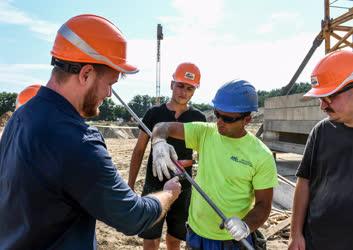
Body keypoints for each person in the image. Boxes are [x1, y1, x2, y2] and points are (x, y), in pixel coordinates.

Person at [0, 14, 181, 250]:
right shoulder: (77, 142)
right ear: (85, 74)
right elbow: (132, 217)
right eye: (110, 84)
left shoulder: (21, 117)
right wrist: (168, 194)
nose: (108, 95)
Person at [150, 79, 278, 249]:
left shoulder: (261, 155)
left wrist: (245, 226)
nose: (219, 121)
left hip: (230, 242)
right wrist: (158, 142)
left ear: (247, 119)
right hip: (195, 235)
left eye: (227, 118)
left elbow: (263, 205)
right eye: (217, 114)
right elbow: (162, 126)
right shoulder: (205, 133)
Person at [128, 62, 206, 250]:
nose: (183, 92)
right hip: (154, 183)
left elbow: (204, 156)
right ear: (172, 85)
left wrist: (188, 162)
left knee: (174, 238)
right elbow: (139, 150)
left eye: (189, 88)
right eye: (180, 85)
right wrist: (130, 185)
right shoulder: (154, 113)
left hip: (183, 185)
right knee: (151, 238)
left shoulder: (199, 119)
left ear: (194, 91)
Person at [288, 50, 353, 250]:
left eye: (329, 96)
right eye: (320, 97)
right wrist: (295, 233)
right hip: (316, 241)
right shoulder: (322, 131)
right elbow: (304, 181)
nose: (322, 105)